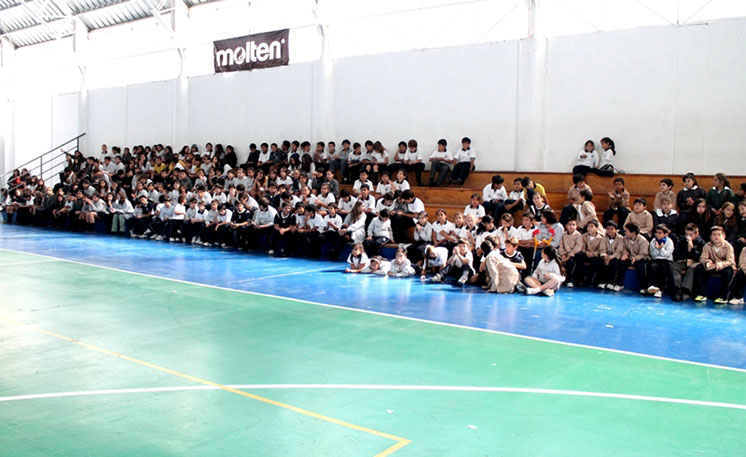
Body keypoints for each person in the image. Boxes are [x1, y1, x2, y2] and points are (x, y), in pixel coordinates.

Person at [694, 225, 735, 305]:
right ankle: (702, 294)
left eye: (719, 234)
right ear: (710, 237)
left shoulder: (728, 246)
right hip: (712, 266)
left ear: (724, 236)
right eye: (714, 234)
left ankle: (723, 296)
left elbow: (730, 261)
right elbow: (702, 258)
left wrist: (721, 264)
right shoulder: (707, 246)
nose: (716, 237)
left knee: (728, 271)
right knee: (699, 268)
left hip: (723, 267)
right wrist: (706, 262)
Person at [671, 223, 706, 302]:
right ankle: (678, 289)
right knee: (674, 266)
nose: (688, 237)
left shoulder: (701, 243)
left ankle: (686, 290)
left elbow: (700, 257)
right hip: (684, 262)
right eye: (686, 234)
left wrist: (692, 248)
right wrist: (685, 259)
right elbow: (676, 254)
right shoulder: (682, 241)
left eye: (690, 235)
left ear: (696, 234)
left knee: (692, 268)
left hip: (695, 263)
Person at [645, 224, 674, 298]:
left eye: (660, 233)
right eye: (656, 232)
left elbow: (667, 254)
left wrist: (660, 248)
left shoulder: (669, 241)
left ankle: (660, 289)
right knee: (652, 266)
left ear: (665, 234)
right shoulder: (653, 241)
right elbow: (652, 254)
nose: (657, 234)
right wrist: (657, 249)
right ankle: (652, 286)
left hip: (666, 260)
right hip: (656, 259)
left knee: (663, 267)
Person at [622, 222, 650, 294]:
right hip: (630, 257)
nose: (625, 232)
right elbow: (624, 248)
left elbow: (644, 253)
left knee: (641, 266)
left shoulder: (643, 240)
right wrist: (625, 254)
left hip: (641, 258)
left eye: (627, 231)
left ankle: (643, 287)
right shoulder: (625, 239)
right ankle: (619, 283)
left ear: (633, 233)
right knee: (621, 262)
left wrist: (636, 258)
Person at [599, 220, 626, 291]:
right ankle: (603, 281)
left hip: (615, 256)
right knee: (601, 262)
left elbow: (619, 250)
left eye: (612, 229)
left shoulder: (620, 238)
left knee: (614, 263)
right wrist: (605, 256)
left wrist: (611, 257)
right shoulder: (604, 238)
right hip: (606, 256)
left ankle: (611, 282)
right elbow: (602, 249)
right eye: (608, 229)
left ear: (616, 230)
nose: (609, 231)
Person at [576, 219, 604, 287]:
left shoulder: (601, 238)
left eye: (592, 226)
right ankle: (578, 279)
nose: (589, 228)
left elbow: (601, 249)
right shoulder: (583, 236)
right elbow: (581, 247)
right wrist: (586, 252)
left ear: (596, 228)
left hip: (594, 255)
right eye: (588, 227)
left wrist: (593, 254)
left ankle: (589, 279)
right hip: (585, 254)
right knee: (578, 256)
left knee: (597, 260)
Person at [559, 219, 583, 288]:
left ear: (576, 226)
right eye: (569, 225)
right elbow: (561, 245)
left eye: (573, 225)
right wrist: (563, 254)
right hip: (565, 253)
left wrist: (569, 255)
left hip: (574, 253)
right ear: (566, 226)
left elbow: (578, 247)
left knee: (572, 261)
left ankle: (571, 280)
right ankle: (563, 278)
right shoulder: (564, 234)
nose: (571, 226)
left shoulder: (578, 235)